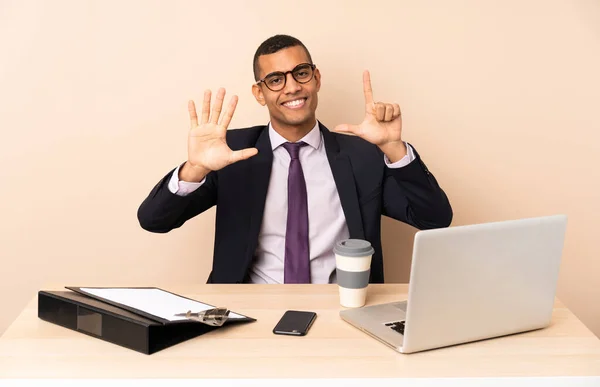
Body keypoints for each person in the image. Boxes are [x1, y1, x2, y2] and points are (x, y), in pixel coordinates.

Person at [137, 34, 452, 285]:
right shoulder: (232, 152)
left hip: (342, 311)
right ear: (259, 93)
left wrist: (395, 148)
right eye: (275, 79)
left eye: (301, 73)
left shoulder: (363, 156)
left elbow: (434, 218)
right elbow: (154, 220)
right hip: (250, 313)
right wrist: (196, 168)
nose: (292, 87)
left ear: (316, 79)